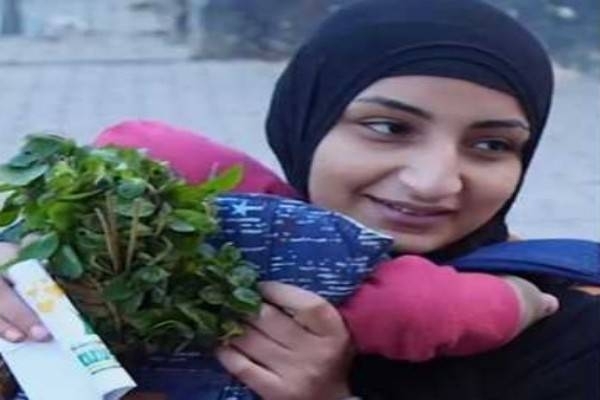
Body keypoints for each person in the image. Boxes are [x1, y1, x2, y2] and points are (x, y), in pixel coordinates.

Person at [0, 0, 598, 399]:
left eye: (491, 144)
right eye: (388, 128)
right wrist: (21, 323)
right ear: (305, 123)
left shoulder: (569, 333)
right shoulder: (136, 253)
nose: (434, 182)